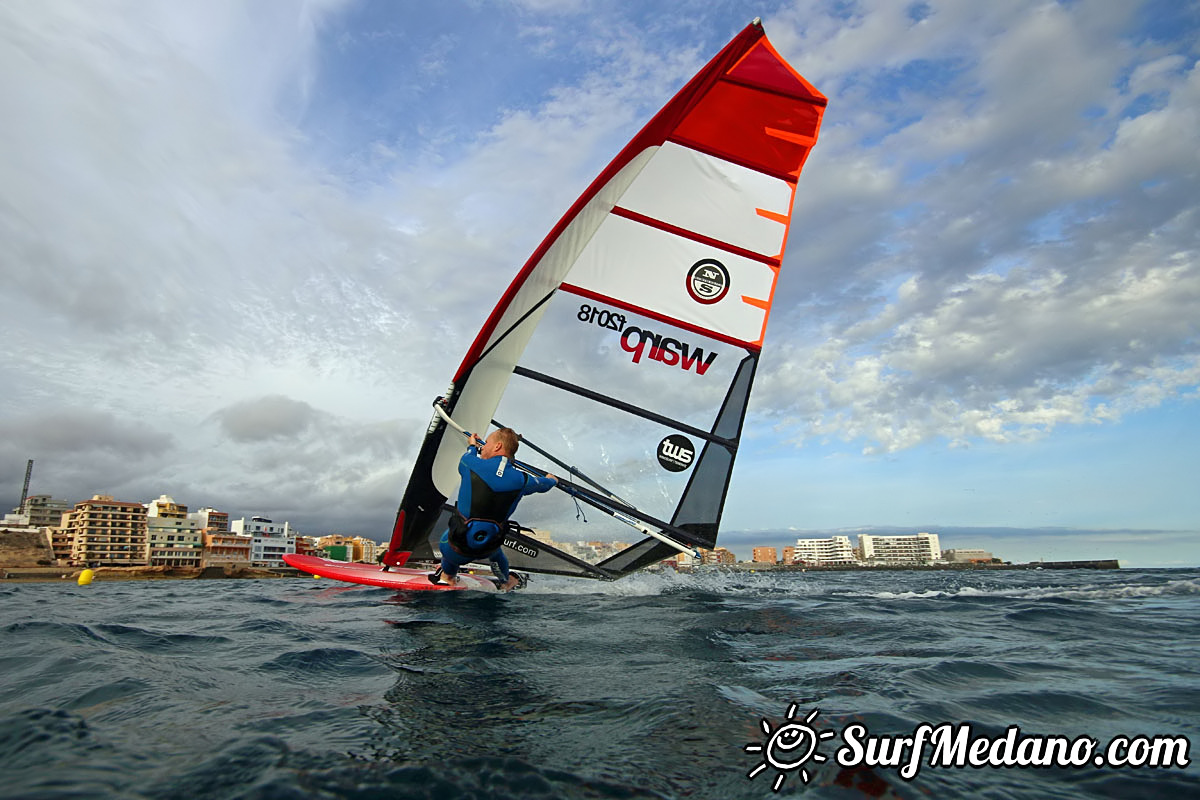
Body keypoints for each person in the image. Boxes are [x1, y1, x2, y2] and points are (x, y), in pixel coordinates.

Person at [435, 426, 556, 591]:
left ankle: (448, 577)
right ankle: (506, 581)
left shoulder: (469, 463)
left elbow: (470, 454)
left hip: (456, 548)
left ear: (497, 446)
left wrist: (472, 445)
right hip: (488, 548)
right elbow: (544, 485)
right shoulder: (523, 480)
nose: (483, 446)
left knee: (448, 543)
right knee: (496, 552)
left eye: (487, 443)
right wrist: (552, 480)